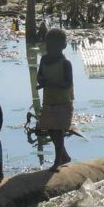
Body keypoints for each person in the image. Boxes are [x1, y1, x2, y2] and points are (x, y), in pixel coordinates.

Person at [37, 28, 74, 171]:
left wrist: (50, 83)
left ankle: (57, 161)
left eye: (55, 47)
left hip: (63, 102)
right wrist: (41, 81)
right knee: (51, 129)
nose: (51, 50)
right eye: (49, 46)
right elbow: (39, 76)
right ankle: (64, 156)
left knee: (58, 131)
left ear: (63, 47)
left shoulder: (66, 63)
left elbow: (67, 84)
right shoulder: (44, 59)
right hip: (49, 101)